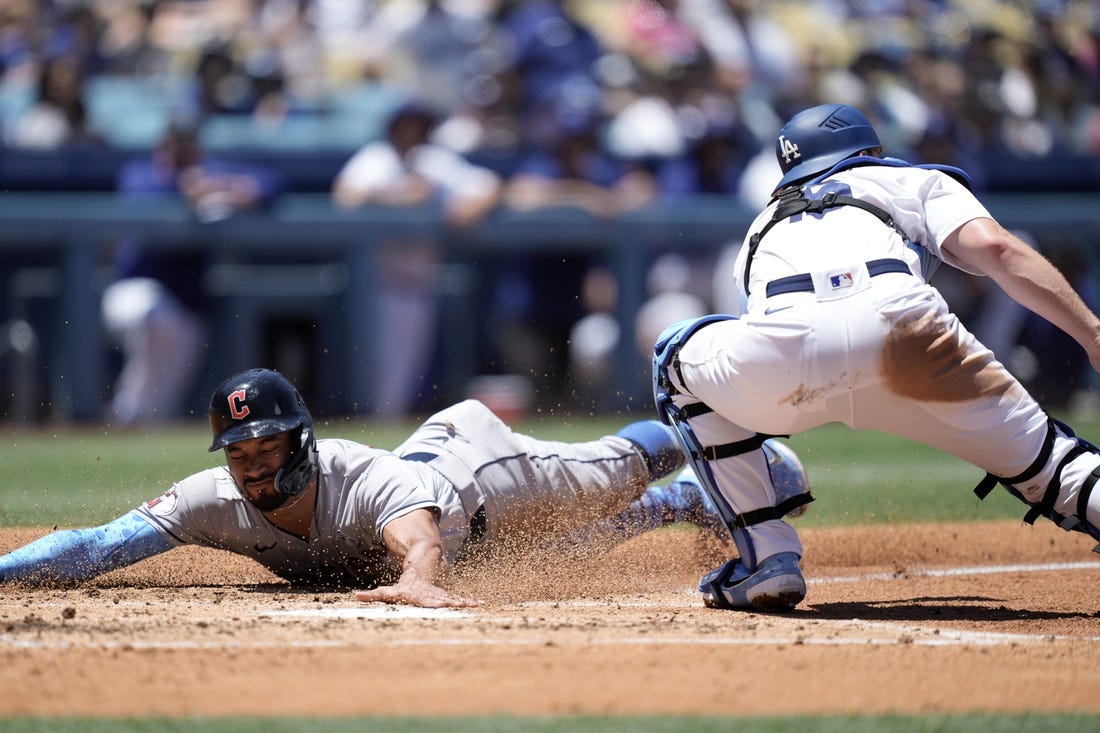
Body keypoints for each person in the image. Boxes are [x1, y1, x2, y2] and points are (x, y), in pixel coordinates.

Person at [652, 102, 1100, 613]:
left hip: (786, 359)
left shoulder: (762, 228)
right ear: (866, 150)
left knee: (674, 359)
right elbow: (997, 249)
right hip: (910, 337)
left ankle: (767, 560)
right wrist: (1092, 333)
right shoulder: (908, 181)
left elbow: (764, 340)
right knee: (1054, 465)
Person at [0, 367, 812, 608]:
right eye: (237, 448)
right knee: (541, 559)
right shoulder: (210, 498)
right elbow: (100, 546)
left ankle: (730, 440)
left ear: (301, 439)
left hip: (485, 474)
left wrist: (418, 583)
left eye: (265, 443)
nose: (248, 462)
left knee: (613, 472)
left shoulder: (362, 478)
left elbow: (418, 539)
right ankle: (687, 503)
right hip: (473, 527)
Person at [101, 122, 285, 425]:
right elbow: (144, 195)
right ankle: (127, 412)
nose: (179, 154)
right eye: (174, 146)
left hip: (185, 304)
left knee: (164, 391)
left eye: (186, 147)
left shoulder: (208, 172)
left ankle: (134, 423)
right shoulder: (141, 173)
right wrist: (187, 190)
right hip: (132, 292)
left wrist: (231, 188)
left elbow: (273, 182)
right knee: (159, 317)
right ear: (162, 147)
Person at [332, 100, 503, 418]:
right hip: (376, 284)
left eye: (419, 124)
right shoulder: (375, 158)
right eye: (406, 124)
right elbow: (345, 196)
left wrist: (467, 205)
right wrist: (399, 195)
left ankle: (386, 434)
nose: (412, 131)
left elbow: (487, 184)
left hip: (419, 282)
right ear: (392, 127)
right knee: (375, 376)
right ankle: (368, 432)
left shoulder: (434, 161)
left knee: (404, 380)